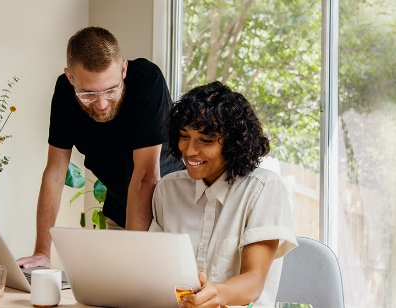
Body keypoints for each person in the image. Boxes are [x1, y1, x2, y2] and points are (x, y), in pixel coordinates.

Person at [17, 26, 183, 268]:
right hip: (119, 211)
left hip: (169, 216)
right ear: (70, 77)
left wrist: (133, 253)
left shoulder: (148, 80)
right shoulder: (64, 93)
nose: (102, 103)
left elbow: (146, 176)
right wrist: (42, 251)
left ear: (123, 69)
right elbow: (54, 174)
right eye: (88, 94)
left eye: (111, 89)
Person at [152, 81, 297, 308]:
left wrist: (215, 294)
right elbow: (155, 271)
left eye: (205, 140)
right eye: (184, 136)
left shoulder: (263, 188)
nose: (189, 151)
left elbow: (254, 282)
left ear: (233, 143)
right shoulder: (167, 190)